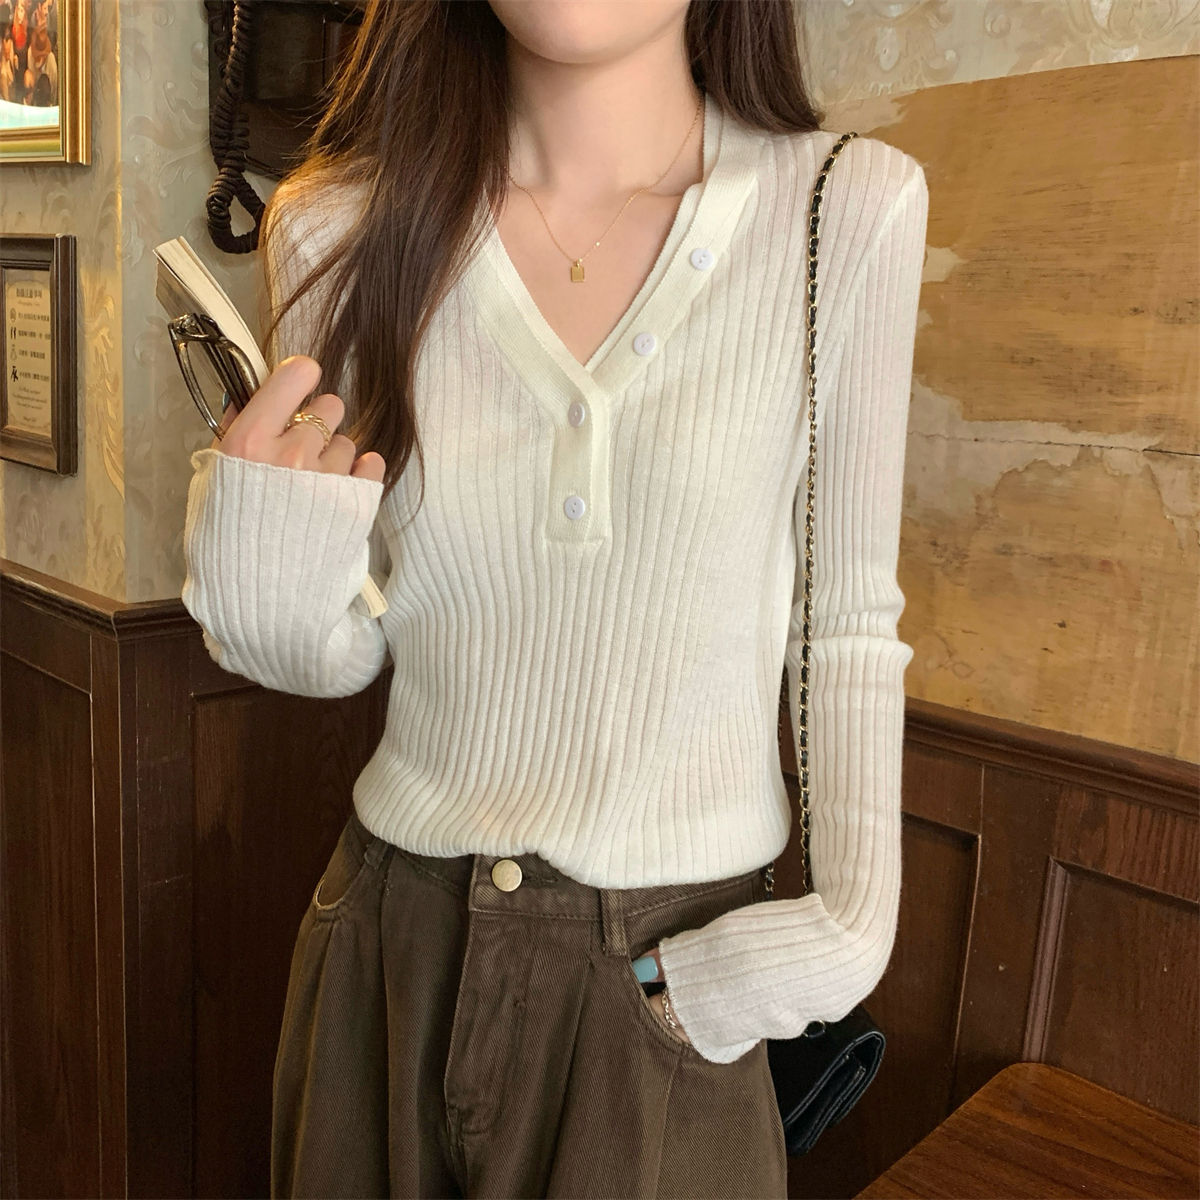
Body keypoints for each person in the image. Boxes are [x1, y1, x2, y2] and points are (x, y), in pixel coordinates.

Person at [180, 1, 928, 1196]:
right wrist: (257, 564)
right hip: (389, 951)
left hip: (674, 976)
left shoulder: (843, 207)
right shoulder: (335, 226)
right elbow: (343, 650)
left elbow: (845, 623)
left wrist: (840, 935)